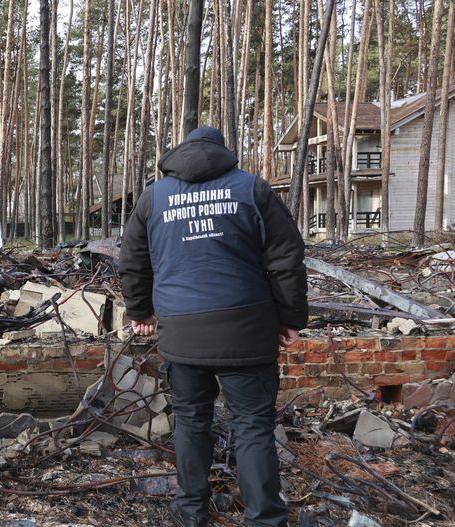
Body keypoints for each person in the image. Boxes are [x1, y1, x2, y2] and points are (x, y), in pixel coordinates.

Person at [119, 127, 308, 527]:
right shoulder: (252, 189)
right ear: (223, 152)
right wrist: (290, 318)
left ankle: (190, 511)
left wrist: (140, 313)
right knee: (254, 425)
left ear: (181, 150)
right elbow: (286, 258)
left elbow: (134, 261)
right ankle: (265, 520)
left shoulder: (155, 198)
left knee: (190, 419)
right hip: (247, 327)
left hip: (183, 330)